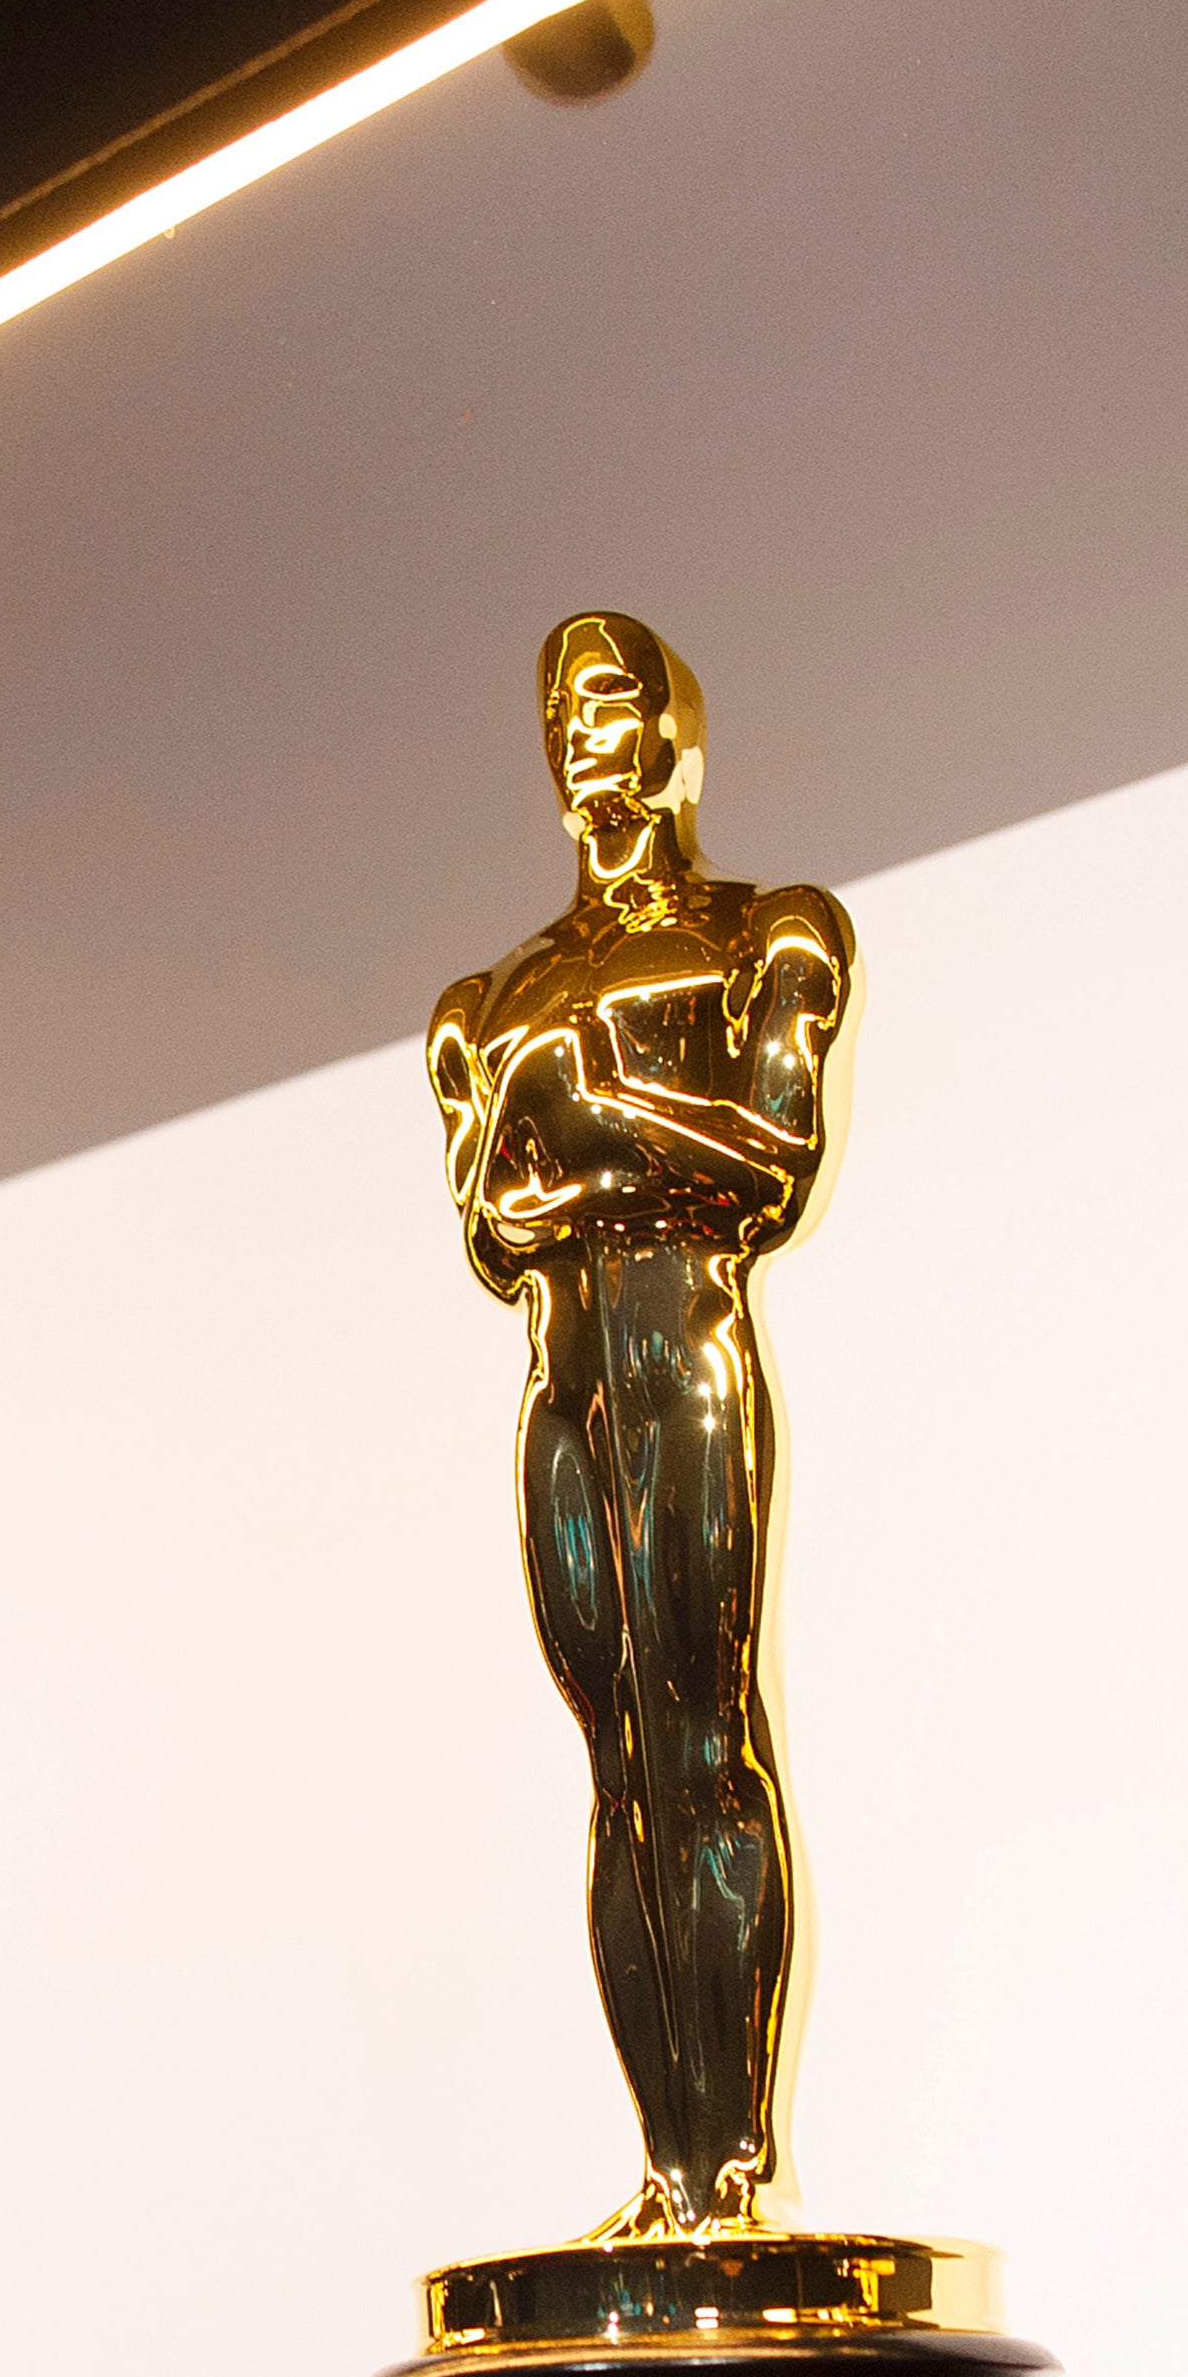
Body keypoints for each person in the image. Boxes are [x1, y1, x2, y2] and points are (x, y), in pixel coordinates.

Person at [429, 613, 850, 2236]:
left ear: (672, 727)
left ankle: (732, 2165)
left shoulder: (767, 932)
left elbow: (763, 1154)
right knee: (613, 1758)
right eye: (554, 711)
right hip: (563, 1378)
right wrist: (582, 1139)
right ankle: (664, 2163)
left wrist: (589, 1112)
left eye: (606, 699)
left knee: (699, 1731)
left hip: (681, 1339)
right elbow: (487, 1224)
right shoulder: (496, 990)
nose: (577, 732)